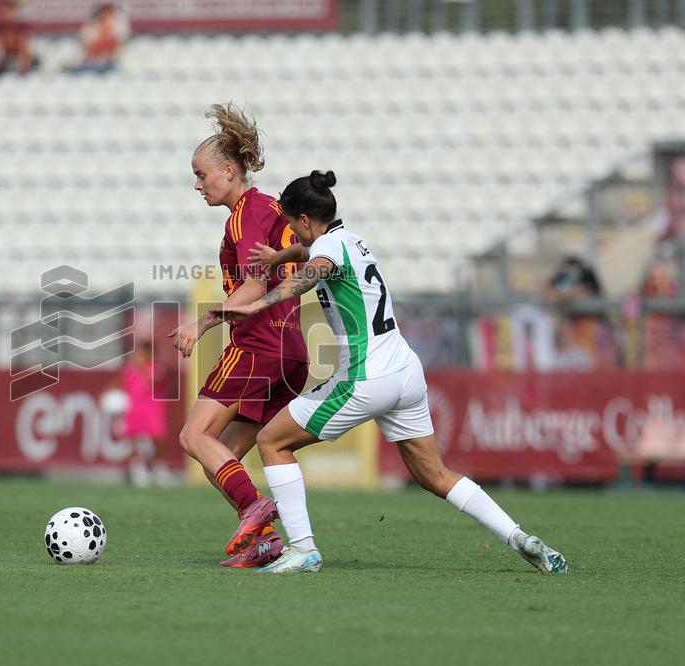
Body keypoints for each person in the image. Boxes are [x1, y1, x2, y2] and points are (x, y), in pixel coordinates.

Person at [219, 171, 568, 575]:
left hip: (365, 378)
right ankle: (519, 537)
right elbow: (309, 255)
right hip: (406, 372)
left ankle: (303, 549)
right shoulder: (352, 241)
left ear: (304, 221)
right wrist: (280, 257)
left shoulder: (327, 248)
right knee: (434, 475)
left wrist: (255, 305)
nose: (291, 235)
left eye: (292, 227)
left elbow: (309, 275)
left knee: (272, 441)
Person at [168, 103, 310, 568]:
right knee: (223, 458)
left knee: (193, 436)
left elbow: (255, 284)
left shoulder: (245, 214)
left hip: (258, 345)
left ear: (228, 171)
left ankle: (254, 509)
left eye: (201, 174)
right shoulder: (272, 207)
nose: (197, 184)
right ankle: (264, 539)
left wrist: (202, 323)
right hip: (292, 351)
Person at [111, 340, 173, 487]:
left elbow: (155, 381)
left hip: (153, 411)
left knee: (157, 440)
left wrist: (142, 367)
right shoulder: (129, 369)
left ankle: (159, 470)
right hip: (134, 411)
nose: (137, 355)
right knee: (133, 441)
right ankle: (138, 470)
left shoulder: (156, 368)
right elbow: (119, 382)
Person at [66, 3, 130, 75]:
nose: (105, 14)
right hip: (91, 62)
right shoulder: (92, 23)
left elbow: (116, 44)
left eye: (108, 10)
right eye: (103, 10)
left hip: (109, 63)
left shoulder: (117, 23)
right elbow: (87, 45)